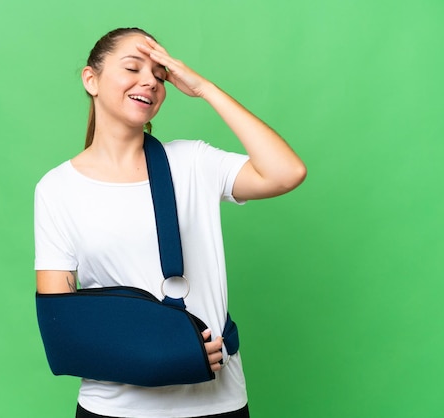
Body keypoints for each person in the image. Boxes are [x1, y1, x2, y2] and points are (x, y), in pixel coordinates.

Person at [34, 27, 306, 418]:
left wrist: (205, 89)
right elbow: (64, 329)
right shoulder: (57, 189)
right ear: (90, 79)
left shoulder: (193, 163)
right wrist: (167, 354)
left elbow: (286, 172)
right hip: (115, 410)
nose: (149, 81)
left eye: (160, 76)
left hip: (217, 405)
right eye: (132, 67)